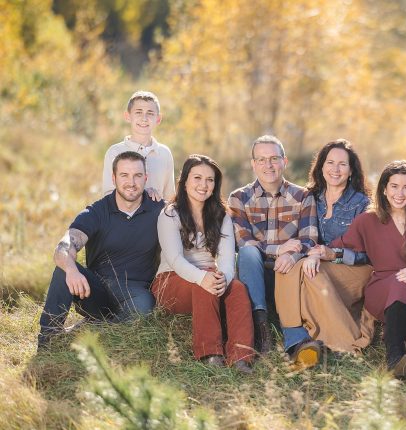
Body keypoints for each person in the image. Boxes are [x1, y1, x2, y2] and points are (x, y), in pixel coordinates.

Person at [38, 151, 164, 348]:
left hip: (136, 291)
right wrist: (71, 270)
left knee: (143, 308)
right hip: (96, 290)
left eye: (137, 176)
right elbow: (64, 246)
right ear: (113, 178)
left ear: (145, 178)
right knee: (63, 269)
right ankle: (48, 341)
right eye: (124, 175)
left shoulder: (160, 210)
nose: (131, 182)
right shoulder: (97, 211)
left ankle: (91, 330)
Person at [331, 161, 406, 378]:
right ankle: (395, 356)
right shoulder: (367, 220)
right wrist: (314, 253)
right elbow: (340, 246)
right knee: (401, 282)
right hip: (382, 288)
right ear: (384, 188)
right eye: (394, 186)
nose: (399, 193)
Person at [151, 155, 255, 373]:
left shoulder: (221, 216)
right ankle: (210, 353)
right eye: (197, 178)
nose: (203, 185)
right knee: (204, 285)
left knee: (237, 288)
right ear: (185, 181)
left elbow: (226, 259)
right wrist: (203, 278)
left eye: (210, 180)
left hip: (208, 275)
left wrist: (223, 278)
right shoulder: (169, 214)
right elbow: (175, 259)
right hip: (170, 281)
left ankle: (241, 356)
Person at [275, 139, 375, 354]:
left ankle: (346, 341)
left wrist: (330, 254)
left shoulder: (362, 204)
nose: (335, 169)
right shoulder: (310, 198)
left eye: (342, 164)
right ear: (321, 167)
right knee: (287, 265)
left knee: (308, 271)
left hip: (354, 269)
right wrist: (291, 251)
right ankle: (298, 339)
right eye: (330, 163)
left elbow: (367, 255)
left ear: (351, 171)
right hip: (315, 264)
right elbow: (303, 236)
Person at [228, 135, 320, 366]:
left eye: (273, 158)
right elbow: (242, 241)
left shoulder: (303, 196)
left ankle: (296, 344)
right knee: (248, 254)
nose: (268, 165)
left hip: (287, 275)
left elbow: (309, 239)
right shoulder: (238, 198)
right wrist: (279, 249)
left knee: (289, 264)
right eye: (261, 159)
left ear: (284, 161)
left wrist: (291, 254)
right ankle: (261, 331)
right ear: (253, 164)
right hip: (254, 275)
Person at [102, 90, 175, 201]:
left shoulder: (164, 153)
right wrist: (143, 194)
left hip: (157, 218)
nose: (144, 118)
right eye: (138, 112)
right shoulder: (115, 152)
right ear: (127, 116)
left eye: (150, 113)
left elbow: (170, 197)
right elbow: (108, 196)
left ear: (158, 119)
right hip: (123, 217)